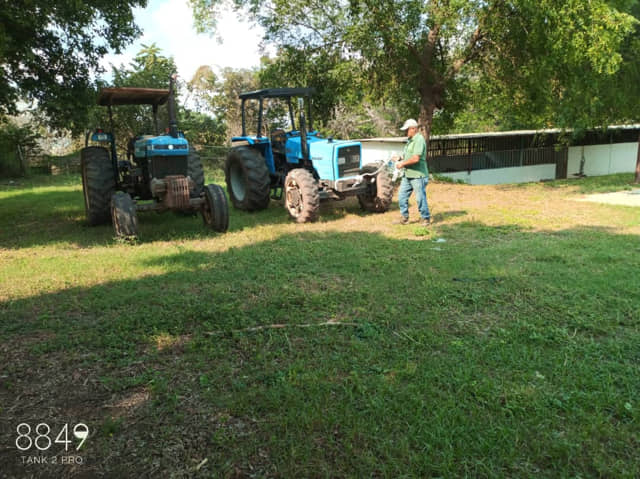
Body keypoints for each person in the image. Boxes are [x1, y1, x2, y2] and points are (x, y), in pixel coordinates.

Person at [393, 118, 431, 226]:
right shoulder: (410, 140)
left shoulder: (419, 140)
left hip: (418, 175)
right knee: (401, 196)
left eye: (407, 130)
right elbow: (407, 155)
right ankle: (404, 218)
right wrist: (399, 158)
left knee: (420, 198)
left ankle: (425, 218)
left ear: (413, 129)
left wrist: (402, 164)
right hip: (408, 174)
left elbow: (415, 158)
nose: (405, 132)